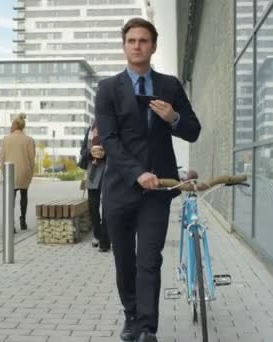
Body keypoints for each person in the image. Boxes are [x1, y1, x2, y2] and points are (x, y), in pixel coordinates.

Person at [95, 18, 201, 342]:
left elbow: (193, 131)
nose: (137, 45)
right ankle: (130, 314)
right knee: (125, 260)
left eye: (144, 40)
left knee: (149, 260)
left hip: (159, 190)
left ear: (153, 46)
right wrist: (136, 173)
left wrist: (174, 118)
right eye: (131, 40)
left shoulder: (169, 85)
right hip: (120, 189)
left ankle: (146, 328)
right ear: (124, 46)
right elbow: (109, 140)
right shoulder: (108, 89)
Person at [0, 114, 35, 231]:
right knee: (24, 195)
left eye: (12, 124)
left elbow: (2, 157)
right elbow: (31, 158)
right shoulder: (29, 140)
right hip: (24, 171)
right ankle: (23, 221)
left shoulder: (6, 139)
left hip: (11, 171)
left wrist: (4, 171)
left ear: (15, 125)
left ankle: (11, 224)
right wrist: (31, 173)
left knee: (11, 198)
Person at [79, 122, 110, 253]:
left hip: (109, 172)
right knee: (93, 207)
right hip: (93, 173)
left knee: (107, 206)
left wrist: (105, 153)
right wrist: (91, 152)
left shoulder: (111, 127)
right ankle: (97, 235)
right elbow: (83, 152)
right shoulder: (90, 130)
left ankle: (105, 240)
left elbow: (119, 150)